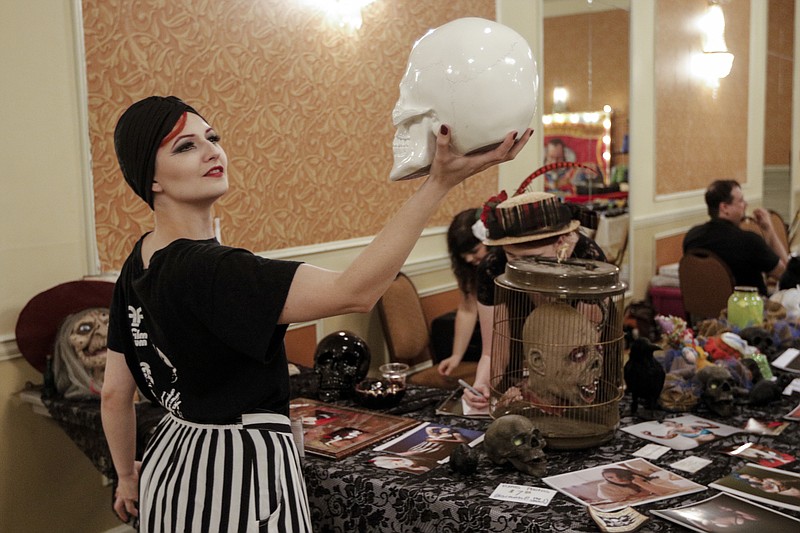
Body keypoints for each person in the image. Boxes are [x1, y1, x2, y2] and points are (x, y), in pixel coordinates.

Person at [100, 95, 531, 532]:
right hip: (239, 474)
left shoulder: (141, 259)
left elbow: (115, 394)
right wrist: (438, 183)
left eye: (212, 137)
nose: (212, 151)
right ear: (149, 177)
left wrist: (127, 476)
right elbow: (356, 292)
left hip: (171, 462)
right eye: (185, 146)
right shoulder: (212, 269)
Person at [463, 190, 606, 409]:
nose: (522, 268)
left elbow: (583, 353)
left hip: (581, 377)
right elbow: (492, 353)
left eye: (533, 259)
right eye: (513, 259)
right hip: (525, 374)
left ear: (562, 242)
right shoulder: (492, 267)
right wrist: (482, 384)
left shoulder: (588, 260)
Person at [683, 179, 788, 295]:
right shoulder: (748, 241)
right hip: (747, 309)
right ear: (724, 208)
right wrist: (770, 230)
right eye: (741, 201)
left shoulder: (692, 237)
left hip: (703, 311)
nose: (746, 204)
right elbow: (786, 275)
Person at [435, 209, 491, 376]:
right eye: (463, 256)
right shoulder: (469, 270)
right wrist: (456, 355)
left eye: (474, 251)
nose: (468, 259)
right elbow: (468, 309)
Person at [595, 467, 676, 503]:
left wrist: (640, 483)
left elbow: (669, 492)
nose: (616, 479)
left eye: (619, 475)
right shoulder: (605, 487)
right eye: (610, 478)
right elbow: (617, 500)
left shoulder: (645, 480)